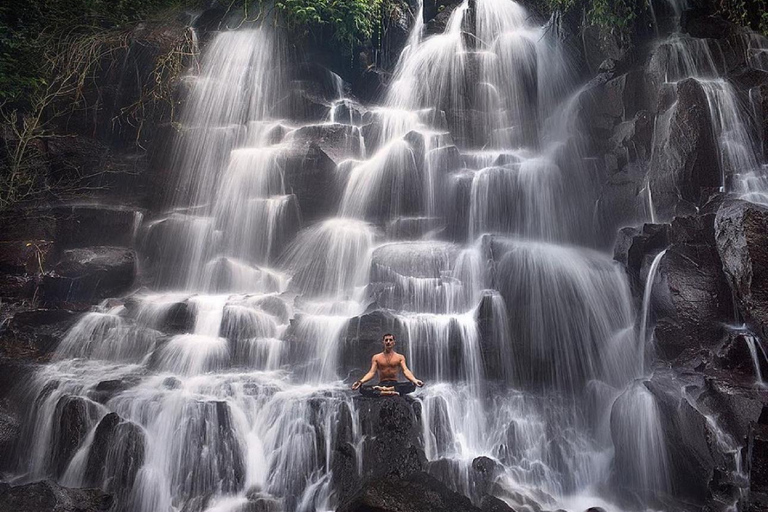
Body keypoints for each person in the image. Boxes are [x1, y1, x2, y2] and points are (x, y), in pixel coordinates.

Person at [351, 333, 424, 396]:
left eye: (390, 340)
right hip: (382, 383)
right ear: (383, 342)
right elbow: (371, 372)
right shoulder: (376, 357)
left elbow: (406, 371)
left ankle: (385, 391)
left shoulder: (400, 357)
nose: (388, 342)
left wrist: (415, 380)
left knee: (412, 385)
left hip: (394, 384)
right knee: (362, 389)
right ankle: (388, 392)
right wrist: (360, 382)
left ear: (394, 342)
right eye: (386, 340)